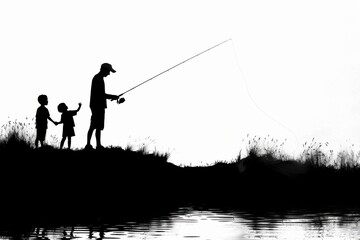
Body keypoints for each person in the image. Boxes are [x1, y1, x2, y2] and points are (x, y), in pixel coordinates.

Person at [85, 63, 125, 150]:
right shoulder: (98, 78)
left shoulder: (99, 78)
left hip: (98, 105)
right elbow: (101, 94)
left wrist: (112, 97)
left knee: (98, 126)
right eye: (108, 71)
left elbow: (101, 95)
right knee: (93, 125)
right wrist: (113, 96)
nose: (109, 74)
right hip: (97, 105)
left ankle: (97, 145)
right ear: (104, 70)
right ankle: (89, 145)